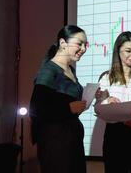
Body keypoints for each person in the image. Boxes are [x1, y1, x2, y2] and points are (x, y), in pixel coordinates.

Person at [29, 25, 88, 173]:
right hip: (55, 144)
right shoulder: (49, 70)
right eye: (79, 44)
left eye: (85, 45)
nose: (84, 49)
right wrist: (68, 108)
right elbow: (36, 109)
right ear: (63, 43)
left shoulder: (71, 70)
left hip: (72, 142)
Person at [94, 31, 131, 173]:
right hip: (115, 136)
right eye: (128, 51)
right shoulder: (106, 77)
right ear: (118, 51)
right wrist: (107, 101)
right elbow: (97, 108)